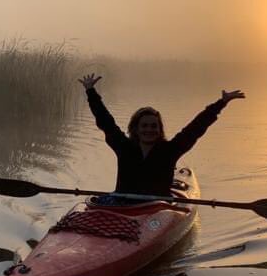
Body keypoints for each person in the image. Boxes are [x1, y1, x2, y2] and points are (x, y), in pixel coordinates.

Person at [78, 73, 244, 197]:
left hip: (158, 210)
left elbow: (195, 128)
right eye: (144, 126)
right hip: (123, 205)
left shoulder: (170, 150)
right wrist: (91, 92)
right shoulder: (123, 146)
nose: (149, 130)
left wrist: (221, 103)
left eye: (153, 126)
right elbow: (105, 121)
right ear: (135, 129)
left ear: (160, 129)